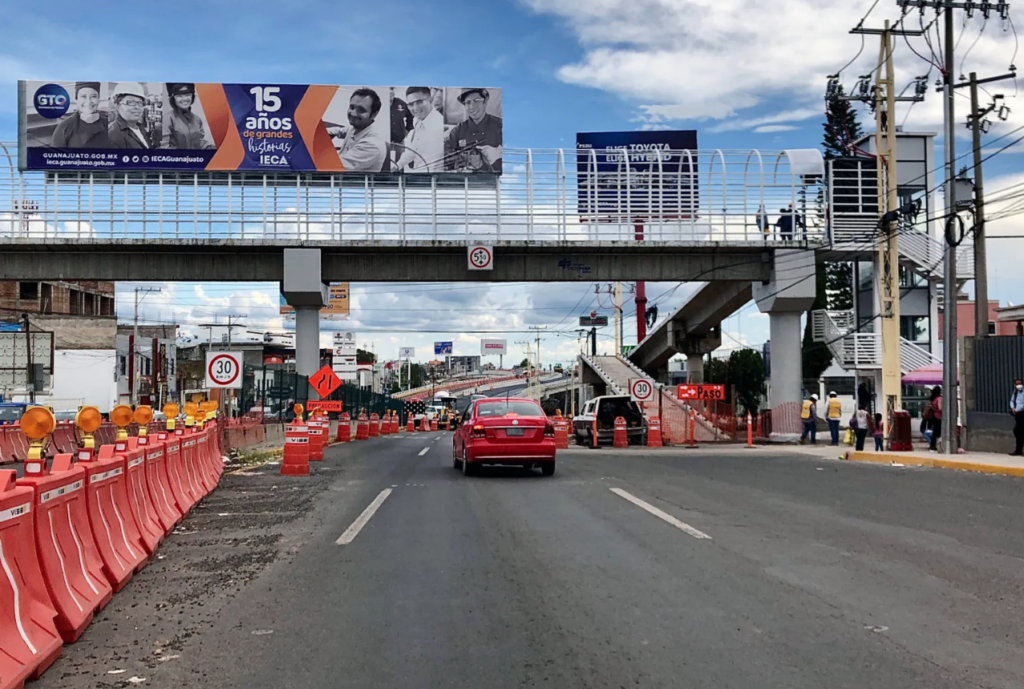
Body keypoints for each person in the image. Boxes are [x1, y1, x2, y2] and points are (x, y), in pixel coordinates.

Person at [327, 88, 388, 173]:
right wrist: (325, 133)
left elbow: (333, 167)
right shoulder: (358, 127)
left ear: (374, 114)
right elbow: (340, 131)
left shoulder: (372, 145)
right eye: (352, 107)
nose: (353, 113)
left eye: (361, 110)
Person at [444, 88, 502, 173]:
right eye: (468, 102)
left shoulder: (500, 126)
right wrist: (463, 159)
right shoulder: (458, 130)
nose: (472, 106)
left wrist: (497, 153)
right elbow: (445, 154)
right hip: (465, 178)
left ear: (485, 103)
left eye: (476, 101)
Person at [393, 86, 444, 173]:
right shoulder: (419, 121)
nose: (415, 108)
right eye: (411, 104)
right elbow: (414, 149)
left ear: (430, 100)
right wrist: (397, 165)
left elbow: (432, 165)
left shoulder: (438, 126)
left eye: (419, 102)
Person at [51, 81, 109, 148]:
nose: (88, 102)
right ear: (76, 100)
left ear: (98, 99)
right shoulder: (64, 127)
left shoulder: (108, 123)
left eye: (93, 96)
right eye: (83, 96)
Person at [160, 83, 213, 150]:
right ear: (173, 98)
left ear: (192, 96)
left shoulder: (197, 119)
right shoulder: (167, 119)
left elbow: (199, 142)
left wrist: (212, 148)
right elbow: (164, 147)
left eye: (187, 95)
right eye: (179, 96)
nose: (184, 99)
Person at [108, 82, 155, 149]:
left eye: (140, 103)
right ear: (118, 105)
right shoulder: (113, 135)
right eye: (130, 102)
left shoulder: (140, 127)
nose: (137, 107)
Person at [1010, 377, 1024, 456]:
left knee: (1019, 431)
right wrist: (1013, 408)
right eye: (1017, 384)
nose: (1018, 385)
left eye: (1020, 383)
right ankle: (1018, 450)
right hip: (1018, 414)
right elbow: (1012, 400)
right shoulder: (1015, 392)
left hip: (1022, 413)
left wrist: (1017, 409)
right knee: (1017, 432)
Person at [928, 385, 943, 452]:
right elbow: (940, 408)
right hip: (939, 417)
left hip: (934, 416)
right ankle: (939, 445)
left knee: (935, 432)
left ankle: (932, 445)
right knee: (940, 432)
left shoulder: (933, 399)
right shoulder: (939, 398)